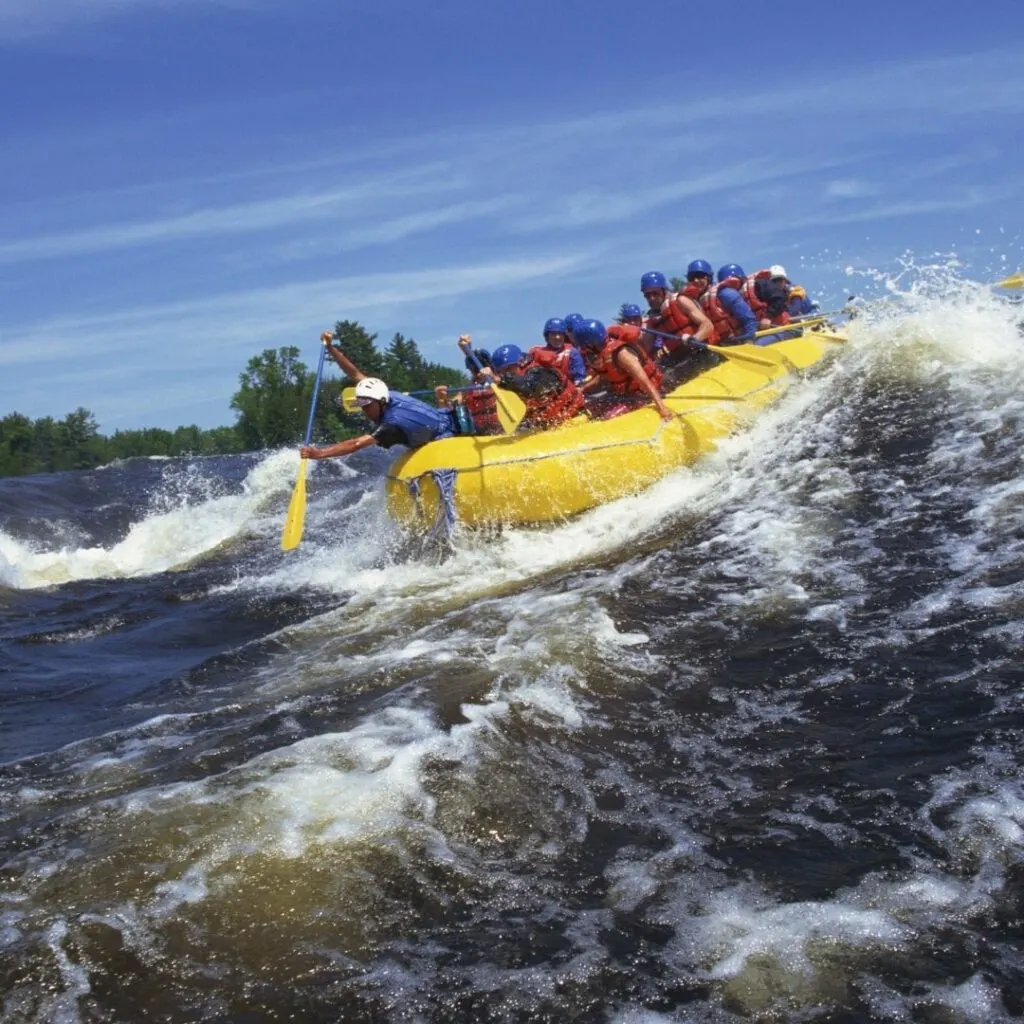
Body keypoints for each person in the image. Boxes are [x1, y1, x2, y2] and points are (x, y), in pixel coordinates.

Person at [300, 334, 455, 460]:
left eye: (367, 405)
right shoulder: (385, 394)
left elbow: (356, 444)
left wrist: (320, 453)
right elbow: (354, 373)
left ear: (381, 402)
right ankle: (441, 402)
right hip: (441, 419)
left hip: (445, 435)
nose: (364, 409)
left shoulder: (391, 425)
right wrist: (330, 348)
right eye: (360, 403)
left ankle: (441, 401)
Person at [573, 319, 673, 421]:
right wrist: (583, 388)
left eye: (584, 346)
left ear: (590, 344)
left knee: (608, 417)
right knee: (591, 408)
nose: (584, 350)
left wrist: (662, 408)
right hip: (628, 395)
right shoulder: (604, 352)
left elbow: (644, 381)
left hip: (643, 394)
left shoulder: (621, 354)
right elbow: (603, 377)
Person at [489, 343, 585, 429]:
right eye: (502, 372)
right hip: (551, 421)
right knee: (520, 430)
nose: (507, 374)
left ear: (520, 362)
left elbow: (530, 388)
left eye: (508, 369)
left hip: (575, 418)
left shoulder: (541, 371)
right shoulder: (519, 378)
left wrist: (501, 380)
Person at [639, 270, 714, 364]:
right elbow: (645, 350)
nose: (652, 298)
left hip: (702, 351)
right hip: (680, 360)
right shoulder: (652, 321)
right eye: (647, 295)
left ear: (663, 291)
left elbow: (708, 325)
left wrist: (695, 338)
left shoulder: (680, 301)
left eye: (655, 293)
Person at [700, 265, 760, 345]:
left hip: (731, 342)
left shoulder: (707, 298)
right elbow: (749, 320)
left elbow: (748, 320)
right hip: (737, 341)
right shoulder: (728, 293)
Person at [530, 317, 588, 385]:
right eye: (553, 334)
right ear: (547, 336)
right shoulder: (537, 352)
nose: (557, 337)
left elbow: (579, 374)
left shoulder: (571, 351)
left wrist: (578, 383)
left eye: (560, 334)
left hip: (569, 389)